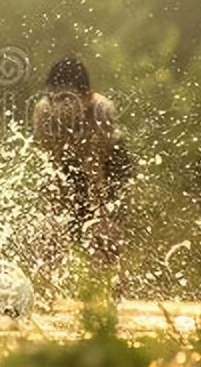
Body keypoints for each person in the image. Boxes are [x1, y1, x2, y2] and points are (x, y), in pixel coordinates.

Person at [32, 56, 134, 261]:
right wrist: (52, 218)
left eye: (66, 100)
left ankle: (114, 275)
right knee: (59, 226)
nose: (58, 107)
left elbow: (99, 173)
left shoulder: (101, 112)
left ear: (87, 98)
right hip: (71, 161)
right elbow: (51, 169)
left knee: (108, 229)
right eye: (53, 99)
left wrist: (104, 220)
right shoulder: (43, 113)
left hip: (109, 161)